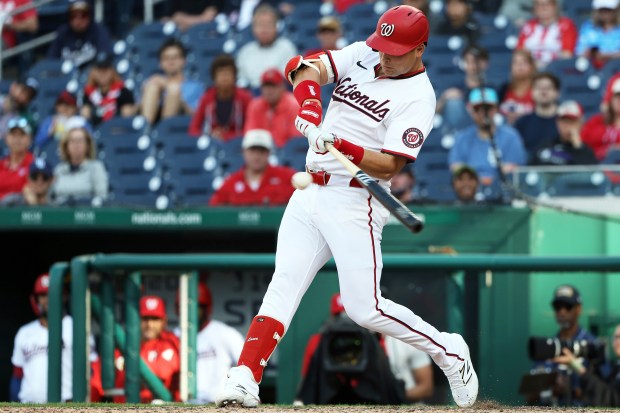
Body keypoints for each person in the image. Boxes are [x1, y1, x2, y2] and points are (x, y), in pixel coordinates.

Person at [214, 5, 478, 408]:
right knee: (283, 284)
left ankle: (450, 351)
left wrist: (342, 145)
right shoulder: (366, 52)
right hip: (309, 191)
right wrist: (308, 106)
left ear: (420, 49)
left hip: (356, 198)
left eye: (395, 50)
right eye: (383, 46)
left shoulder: (418, 98)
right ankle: (245, 377)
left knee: (364, 309)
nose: (385, 55)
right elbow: (301, 66)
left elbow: (391, 163)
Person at [295, 293, 411, 405]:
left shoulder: (371, 340)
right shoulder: (319, 340)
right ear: (332, 317)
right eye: (340, 316)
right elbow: (309, 382)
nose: (346, 323)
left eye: (351, 316)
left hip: (370, 398)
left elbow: (383, 379)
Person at [10, 273, 89, 402]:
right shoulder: (24, 332)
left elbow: (90, 370)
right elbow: (17, 376)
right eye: (42, 295)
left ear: (63, 296)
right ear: (36, 299)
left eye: (52, 293)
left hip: (65, 403)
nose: (47, 299)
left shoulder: (77, 327)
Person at [525, 285, 602, 406]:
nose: (562, 311)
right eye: (558, 307)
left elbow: (605, 393)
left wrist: (571, 388)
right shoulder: (548, 346)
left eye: (568, 306)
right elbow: (528, 396)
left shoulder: (592, 345)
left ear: (579, 309)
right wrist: (549, 387)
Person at [449, 88, 526, 185]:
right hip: (471, 191)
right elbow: (455, 166)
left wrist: (482, 178)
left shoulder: (511, 136)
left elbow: (514, 168)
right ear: (471, 110)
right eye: (477, 109)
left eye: (488, 108)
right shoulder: (462, 138)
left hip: (503, 190)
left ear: (496, 109)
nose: (483, 113)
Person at [113, 295, 181, 403]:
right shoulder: (127, 343)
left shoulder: (170, 342)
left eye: (155, 319)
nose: (150, 324)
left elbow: (163, 371)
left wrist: (128, 363)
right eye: (145, 318)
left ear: (164, 321)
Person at [209, 129, 296, 206]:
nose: (257, 156)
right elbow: (214, 209)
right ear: (244, 152)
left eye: (262, 151)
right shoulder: (231, 182)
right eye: (253, 150)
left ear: (269, 153)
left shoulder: (286, 177)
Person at [190, 282, 245, 403]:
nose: (192, 311)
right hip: (184, 404)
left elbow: (248, 366)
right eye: (188, 307)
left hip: (218, 403)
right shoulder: (175, 336)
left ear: (206, 308)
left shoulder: (225, 333)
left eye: (197, 307)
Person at [139, 38, 204, 126]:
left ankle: (164, 133)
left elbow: (198, 116)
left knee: (173, 90)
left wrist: (179, 100)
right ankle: (145, 131)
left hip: (180, 127)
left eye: (175, 58)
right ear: (160, 63)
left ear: (184, 61)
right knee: (152, 87)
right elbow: (132, 111)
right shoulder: (156, 83)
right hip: (153, 121)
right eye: (166, 58)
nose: (170, 61)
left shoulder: (196, 87)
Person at [188, 54, 253, 140]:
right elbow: (193, 129)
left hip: (239, 144)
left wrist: (227, 136)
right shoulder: (206, 98)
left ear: (234, 77)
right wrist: (207, 136)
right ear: (214, 78)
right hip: (213, 143)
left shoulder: (245, 97)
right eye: (221, 74)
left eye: (228, 73)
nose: (224, 78)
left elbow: (252, 128)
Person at [553, 324, 620, 406]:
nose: (617, 341)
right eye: (615, 337)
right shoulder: (616, 367)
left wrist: (577, 366)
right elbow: (605, 387)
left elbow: (610, 399)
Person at [235, 3, 298, 89]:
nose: (264, 29)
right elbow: (241, 82)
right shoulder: (245, 52)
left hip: (279, 92)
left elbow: (290, 79)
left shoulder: (286, 47)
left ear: (276, 27)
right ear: (253, 28)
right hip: (252, 96)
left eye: (268, 24)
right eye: (260, 25)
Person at [50, 121, 109, 205]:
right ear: (66, 146)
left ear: (88, 145)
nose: (76, 145)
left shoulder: (96, 167)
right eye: (72, 141)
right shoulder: (59, 170)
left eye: (80, 141)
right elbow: (50, 198)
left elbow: (102, 197)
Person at [435, 45, 490, 132]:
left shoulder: (493, 89)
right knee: (453, 102)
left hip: (484, 132)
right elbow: (432, 113)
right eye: (468, 62)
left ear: (485, 63)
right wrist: (444, 97)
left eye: (477, 62)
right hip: (459, 133)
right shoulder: (455, 87)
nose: (473, 66)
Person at [46, 0, 114, 68]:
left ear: (89, 17)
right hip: (66, 75)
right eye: (74, 16)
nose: (78, 21)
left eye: (83, 16)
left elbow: (105, 57)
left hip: (90, 75)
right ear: (68, 18)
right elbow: (51, 60)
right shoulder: (63, 32)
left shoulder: (98, 30)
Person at [244, 68, 300, 148]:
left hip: (286, 153)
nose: (269, 91)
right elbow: (250, 136)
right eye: (266, 86)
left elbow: (296, 140)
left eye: (273, 86)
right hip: (262, 151)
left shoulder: (293, 105)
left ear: (282, 87)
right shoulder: (255, 106)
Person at [531, 100, 598, 166]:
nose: (567, 126)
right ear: (557, 123)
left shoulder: (586, 151)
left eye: (571, 121)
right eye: (564, 121)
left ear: (581, 123)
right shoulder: (545, 145)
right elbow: (529, 169)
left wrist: (578, 146)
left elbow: (589, 173)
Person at [515, 0, 578, 69]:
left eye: (547, 4)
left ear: (555, 6)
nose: (543, 8)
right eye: (539, 5)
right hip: (530, 68)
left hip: (556, 69)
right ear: (534, 8)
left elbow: (567, 54)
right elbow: (520, 51)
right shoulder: (529, 25)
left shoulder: (566, 25)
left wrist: (547, 65)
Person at [514, 72, 561, 161]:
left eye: (548, 88)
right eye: (539, 88)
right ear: (532, 92)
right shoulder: (522, 123)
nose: (543, 92)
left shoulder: (565, 121)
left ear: (557, 92)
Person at [80, 53, 136, 127]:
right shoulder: (88, 93)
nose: (102, 73)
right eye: (99, 70)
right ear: (93, 72)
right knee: (85, 110)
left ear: (112, 71)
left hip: (117, 130)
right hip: (95, 130)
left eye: (106, 69)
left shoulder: (124, 91)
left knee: (127, 110)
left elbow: (128, 114)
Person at [582, 75, 620, 161]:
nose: (619, 100)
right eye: (617, 96)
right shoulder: (596, 121)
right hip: (598, 167)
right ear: (611, 99)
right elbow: (584, 144)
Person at [575, 0, 620, 70]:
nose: (605, 13)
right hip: (591, 69)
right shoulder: (588, 27)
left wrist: (608, 56)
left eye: (608, 10)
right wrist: (589, 53)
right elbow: (579, 52)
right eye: (601, 10)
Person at [498, 50, 537, 126]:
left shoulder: (537, 89)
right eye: (515, 63)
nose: (519, 66)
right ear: (511, 67)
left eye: (524, 62)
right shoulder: (503, 89)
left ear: (532, 67)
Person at [0, 117, 34, 202]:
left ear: (29, 139)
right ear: (6, 138)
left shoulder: (34, 165)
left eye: (22, 134)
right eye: (13, 134)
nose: (17, 139)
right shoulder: (1, 164)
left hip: (21, 211)